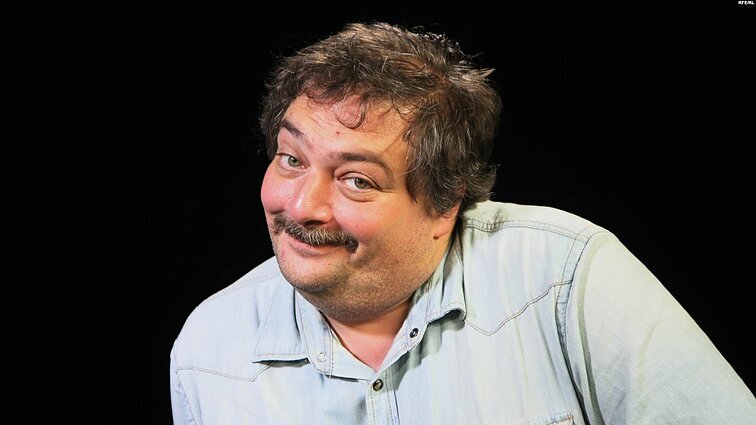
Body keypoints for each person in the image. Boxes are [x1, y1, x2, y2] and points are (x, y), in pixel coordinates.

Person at [169, 22, 755, 424]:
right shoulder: (208, 350)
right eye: (291, 159)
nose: (301, 207)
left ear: (443, 205)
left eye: (357, 180)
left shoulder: (565, 280)